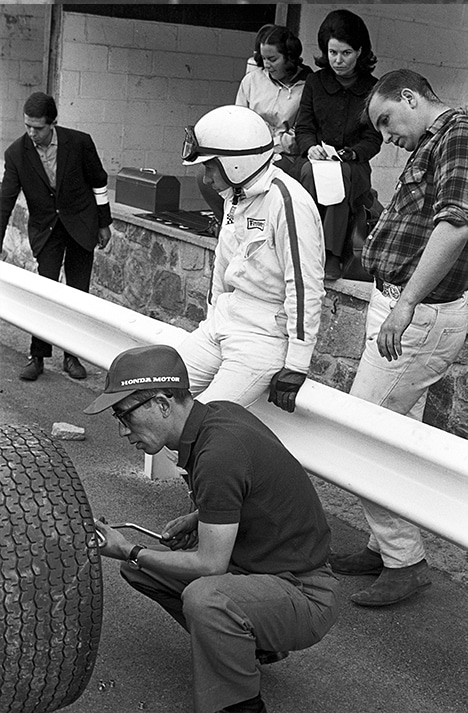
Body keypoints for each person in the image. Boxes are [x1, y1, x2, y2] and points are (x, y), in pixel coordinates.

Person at [85, 344, 339, 713]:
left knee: (205, 598)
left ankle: (240, 705)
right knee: (142, 571)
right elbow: (252, 486)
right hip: (266, 572)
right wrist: (198, 517)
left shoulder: (218, 454)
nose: (124, 431)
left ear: (161, 403)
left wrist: (129, 548)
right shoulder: (219, 415)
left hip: (306, 591)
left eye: (125, 415)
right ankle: (251, 647)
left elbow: (210, 566)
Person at [330, 69, 468, 607]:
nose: (386, 135)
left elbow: (456, 225)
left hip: (418, 317)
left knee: (363, 433)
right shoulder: (435, 141)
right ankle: (384, 546)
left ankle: (405, 559)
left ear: (410, 97)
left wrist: (406, 302)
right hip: (403, 311)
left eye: (387, 120)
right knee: (395, 435)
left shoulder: (457, 133)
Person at [180, 104, 325, 413]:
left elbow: (304, 287)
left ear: (236, 163)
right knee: (158, 393)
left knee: (200, 419)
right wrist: (211, 317)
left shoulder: (287, 201)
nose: (206, 178)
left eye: (210, 167)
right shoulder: (237, 196)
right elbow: (222, 263)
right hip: (222, 324)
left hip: (261, 338)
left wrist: (297, 363)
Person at [0, 91, 112, 381]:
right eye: (27, 125)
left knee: (77, 294)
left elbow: (99, 182)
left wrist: (104, 223)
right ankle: (37, 356)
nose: (31, 132)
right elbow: (4, 201)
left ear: (52, 123)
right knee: (44, 292)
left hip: (81, 224)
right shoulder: (15, 154)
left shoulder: (79, 142)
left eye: (37, 127)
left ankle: (71, 356)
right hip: (46, 229)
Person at [295, 9, 382, 280]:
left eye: (345, 53)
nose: (337, 60)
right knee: (311, 172)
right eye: (332, 52)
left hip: (353, 165)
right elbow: (304, 127)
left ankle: (331, 254)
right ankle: (305, 245)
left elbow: (374, 138)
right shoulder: (315, 82)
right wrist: (310, 147)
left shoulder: (373, 88)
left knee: (340, 177)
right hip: (315, 160)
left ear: (359, 51)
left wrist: (352, 152)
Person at [198, 25, 312, 223]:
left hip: (284, 154)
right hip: (247, 150)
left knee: (258, 182)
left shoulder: (308, 85)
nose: (266, 64)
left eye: (273, 59)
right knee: (205, 176)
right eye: (263, 58)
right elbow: (238, 119)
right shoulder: (252, 80)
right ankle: (227, 223)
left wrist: (268, 147)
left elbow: (299, 133)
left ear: (290, 57)